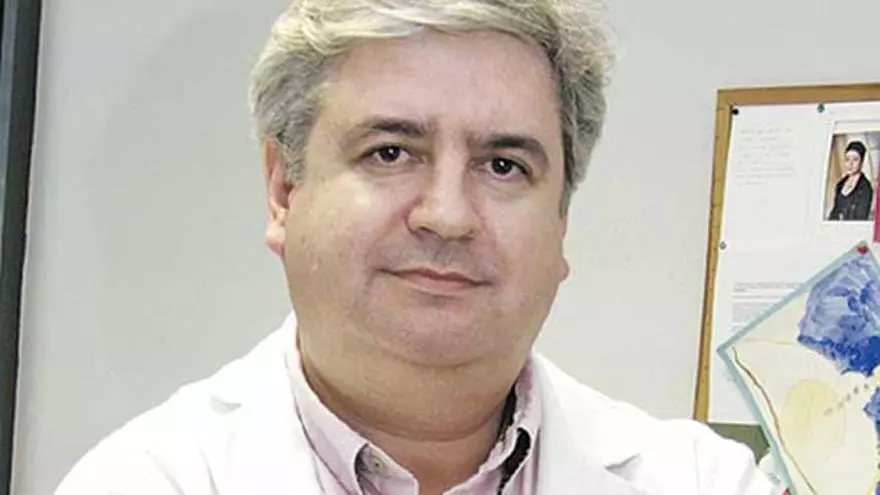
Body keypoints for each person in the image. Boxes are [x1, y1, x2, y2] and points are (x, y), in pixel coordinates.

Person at [55, 0, 779, 493]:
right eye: (391, 152)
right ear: (284, 190)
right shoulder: (144, 480)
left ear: (561, 223)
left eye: (504, 165)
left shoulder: (704, 481)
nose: (448, 216)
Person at [828, 140, 874, 221]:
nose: (850, 164)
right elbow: (835, 212)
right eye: (847, 159)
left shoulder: (865, 188)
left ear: (861, 162)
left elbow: (861, 218)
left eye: (855, 159)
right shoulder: (840, 185)